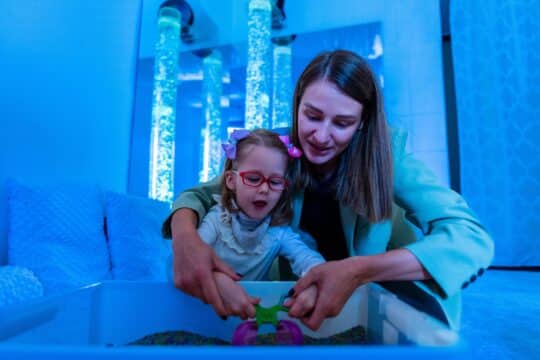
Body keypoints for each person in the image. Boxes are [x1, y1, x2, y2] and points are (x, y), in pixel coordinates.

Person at [162, 49, 494, 331]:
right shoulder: (276, 148)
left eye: (342, 123)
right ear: (297, 105)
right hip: (301, 299)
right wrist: (186, 239)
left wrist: (359, 271)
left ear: (362, 122)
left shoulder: (387, 155)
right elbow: (202, 196)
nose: (321, 137)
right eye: (312, 116)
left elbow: (471, 239)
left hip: (390, 300)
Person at [184, 128, 325, 320]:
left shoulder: (278, 232)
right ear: (231, 181)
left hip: (249, 320)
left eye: (275, 182)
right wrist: (217, 279)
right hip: (202, 314)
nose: (264, 189)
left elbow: (309, 260)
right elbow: (184, 262)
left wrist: (315, 285)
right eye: (253, 179)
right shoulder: (217, 221)